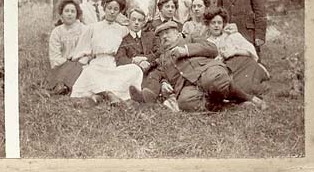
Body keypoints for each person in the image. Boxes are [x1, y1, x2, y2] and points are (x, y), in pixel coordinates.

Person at [130, 20, 266, 111]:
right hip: (187, 85)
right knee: (185, 102)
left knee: (213, 81)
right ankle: (232, 106)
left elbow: (212, 48)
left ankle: (249, 98)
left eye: (167, 33)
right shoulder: (163, 58)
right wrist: (161, 84)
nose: (164, 37)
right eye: (161, 36)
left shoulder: (190, 39)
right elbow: (157, 74)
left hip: (206, 71)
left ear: (177, 33)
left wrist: (186, 50)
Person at [70, 0, 143, 104]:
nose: (112, 12)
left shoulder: (122, 30)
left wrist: (123, 20)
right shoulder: (93, 28)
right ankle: (108, 94)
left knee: (135, 70)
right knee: (89, 72)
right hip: (97, 64)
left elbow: (134, 28)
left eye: (116, 9)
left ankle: (102, 94)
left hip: (114, 64)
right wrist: (84, 59)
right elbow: (82, 50)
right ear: (104, 8)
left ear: (119, 12)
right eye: (109, 8)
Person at [205, 7, 270, 98]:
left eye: (219, 23)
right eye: (213, 23)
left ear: (223, 24)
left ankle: (255, 81)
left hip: (241, 67)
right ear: (208, 25)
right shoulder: (206, 42)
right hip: (224, 72)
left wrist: (234, 52)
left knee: (246, 80)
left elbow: (251, 51)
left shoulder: (232, 35)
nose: (216, 25)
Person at [47, 0, 85, 95]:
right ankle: (62, 86)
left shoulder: (83, 29)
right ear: (61, 14)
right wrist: (67, 62)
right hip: (62, 64)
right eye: (66, 11)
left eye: (73, 11)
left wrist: (78, 60)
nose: (69, 14)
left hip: (80, 63)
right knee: (66, 67)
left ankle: (65, 86)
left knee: (79, 67)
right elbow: (54, 56)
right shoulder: (57, 32)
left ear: (77, 14)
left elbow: (87, 49)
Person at [115, 8, 159, 85]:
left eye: (139, 20)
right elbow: (120, 59)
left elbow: (159, 52)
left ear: (143, 23)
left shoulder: (151, 36)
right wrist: (134, 61)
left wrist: (146, 59)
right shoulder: (124, 40)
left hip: (151, 71)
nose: (136, 23)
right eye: (133, 19)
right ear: (128, 21)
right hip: (132, 75)